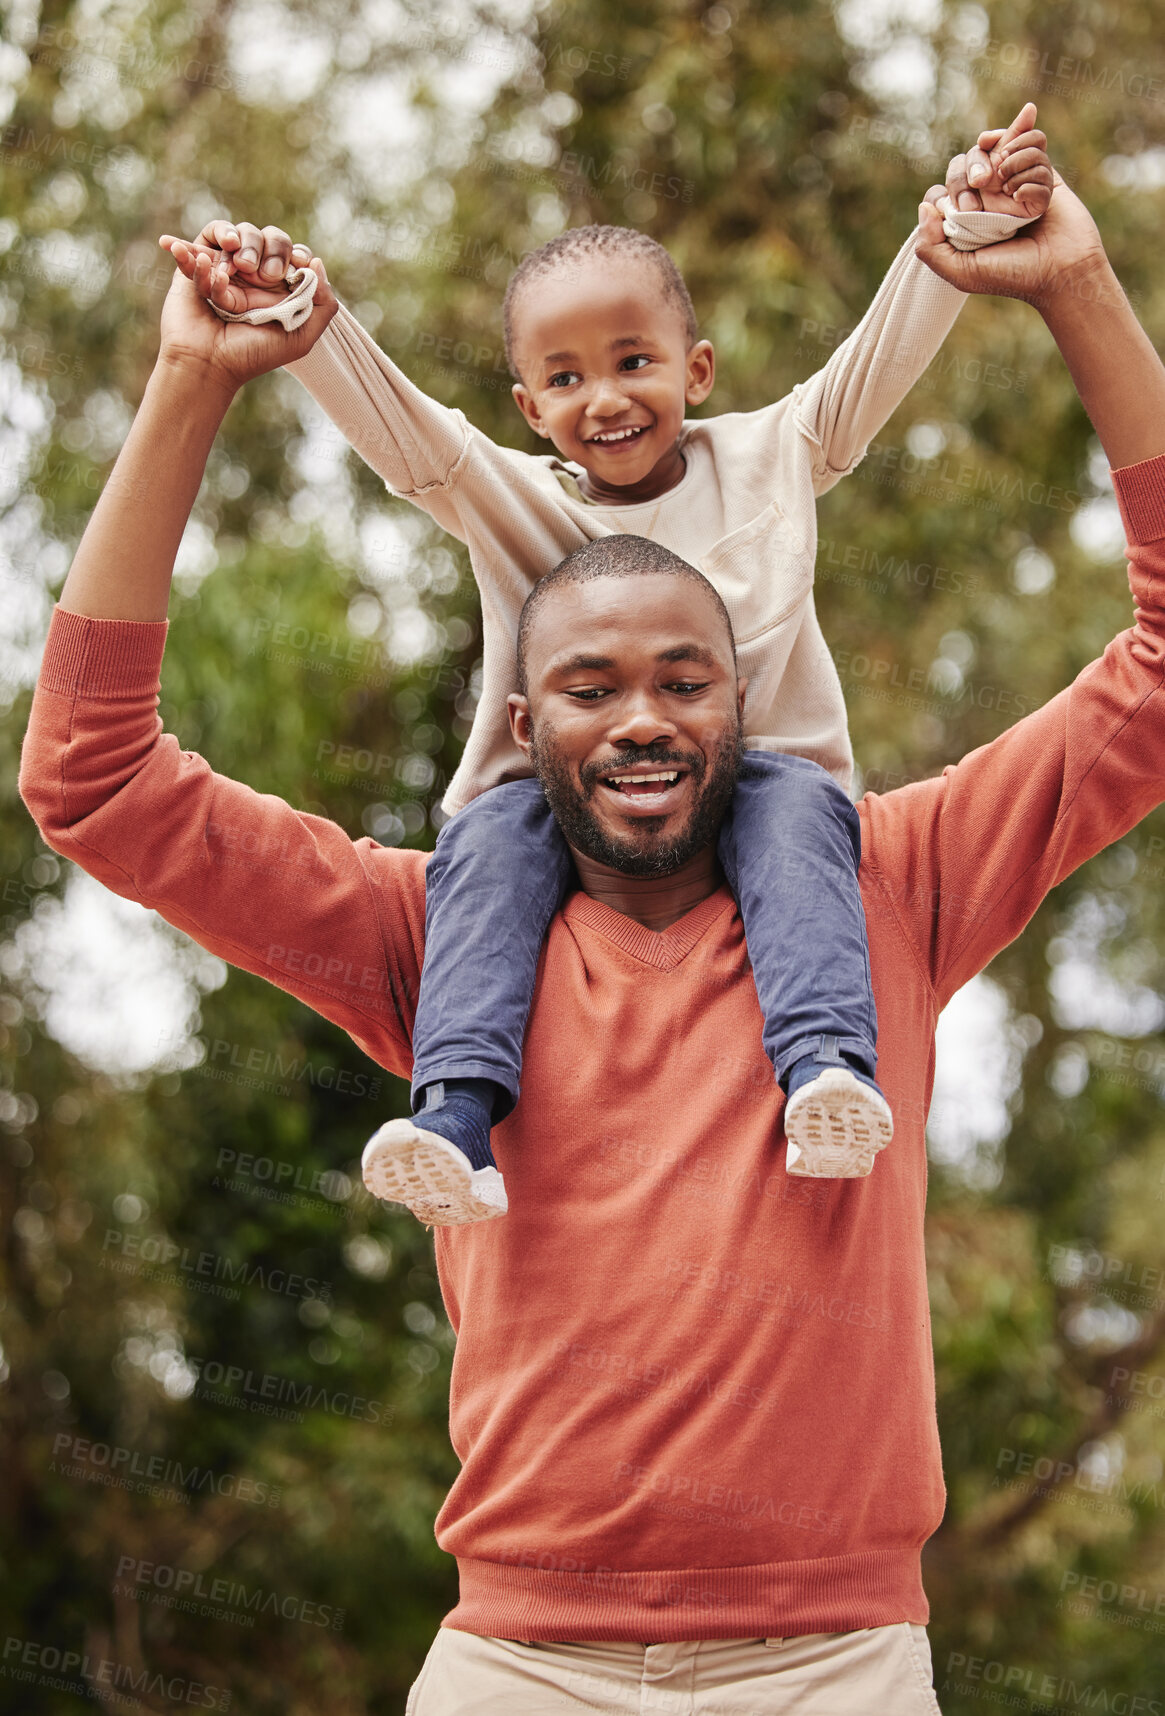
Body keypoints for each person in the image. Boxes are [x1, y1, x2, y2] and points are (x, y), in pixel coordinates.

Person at [20, 157, 1165, 1708]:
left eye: (686, 682)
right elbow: (93, 779)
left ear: (745, 706)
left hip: (831, 1662)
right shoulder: (437, 940)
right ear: (519, 718)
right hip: (520, 1666)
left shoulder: (888, 888)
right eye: (589, 686)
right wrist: (184, 385)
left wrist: (1076, 287)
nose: (640, 720)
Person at [153, 108, 1054, 1223]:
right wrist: (303, 315)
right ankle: (452, 1115)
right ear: (530, 406)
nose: (607, 399)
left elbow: (873, 362)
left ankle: (824, 1069)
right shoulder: (515, 500)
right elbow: (406, 433)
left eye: (634, 362)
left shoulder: (772, 455)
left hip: (761, 783)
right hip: (559, 808)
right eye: (568, 380)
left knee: (798, 817)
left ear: (698, 366)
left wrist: (960, 232)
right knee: (481, 846)